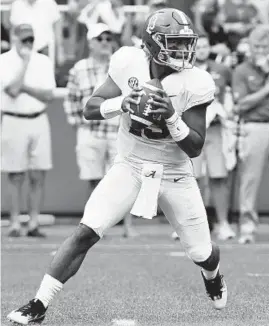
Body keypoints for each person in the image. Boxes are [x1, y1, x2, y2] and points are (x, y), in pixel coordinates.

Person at [7, 9, 227, 324]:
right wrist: (122, 102)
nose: (182, 51)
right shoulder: (127, 61)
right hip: (131, 165)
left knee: (201, 253)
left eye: (184, 43)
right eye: (173, 43)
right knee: (87, 230)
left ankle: (213, 274)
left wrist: (171, 117)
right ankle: (38, 304)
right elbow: (89, 107)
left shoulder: (197, 80)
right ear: (152, 45)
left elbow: (195, 146)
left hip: (176, 173)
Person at [64, 23, 137, 237]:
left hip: (118, 131)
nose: (105, 42)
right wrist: (81, 124)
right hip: (91, 132)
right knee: (94, 180)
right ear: (90, 43)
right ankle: (95, 227)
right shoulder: (79, 68)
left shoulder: (121, 66)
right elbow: (70, 101)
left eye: (108, 38)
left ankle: (128, 226)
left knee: (124, 180)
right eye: (100, 39)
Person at [1, 24, 56, 238]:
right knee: (15, 175)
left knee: (38, 174)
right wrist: (24, 64)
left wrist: (25, 87)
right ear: (15, 38)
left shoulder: (43, 61)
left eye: (31, 40)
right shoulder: (4, 60)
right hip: (14, 119)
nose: (28, 44)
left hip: (38, 119)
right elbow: (13, 91)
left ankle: (33, 222)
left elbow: (49, 96)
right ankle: (15, 222)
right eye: (24, 39)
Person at [232, 25, 269, 244]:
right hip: (254, 127)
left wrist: (268, 73)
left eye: (264, 45)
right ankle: (247, 226)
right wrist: (267, 89)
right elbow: (241, 104)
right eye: (256, 46)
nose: (260, 50)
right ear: (249, 46)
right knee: (250, 179)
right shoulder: (241, 70)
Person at [192, 33, 236, 240]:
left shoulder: (222, 70)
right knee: (191, 179)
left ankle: (223, 223)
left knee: (219, 177)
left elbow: (230, 97)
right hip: (191, 130)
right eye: (198, 46)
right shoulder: (183, 70)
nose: (201, 49)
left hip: (216, 129)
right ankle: (191, 225)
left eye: (205, 45)